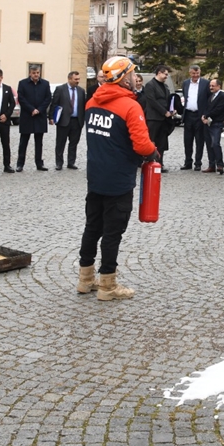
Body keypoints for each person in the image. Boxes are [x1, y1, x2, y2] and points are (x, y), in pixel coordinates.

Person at [76, 56, 159, 301]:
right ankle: (108, 285)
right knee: (113, 232)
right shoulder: (130, 106)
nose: (135, 78)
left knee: (92, 227)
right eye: (132, 74)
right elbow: (142, 144)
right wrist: (154, 152)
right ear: (123, 78)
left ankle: (85, 279)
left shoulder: (92, 103)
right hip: (119, 179)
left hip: (96, 176)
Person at [16, 65, 51, 171]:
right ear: (30, 73)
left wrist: (39, 110)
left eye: (37, 73)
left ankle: (39, 163)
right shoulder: (22, 83)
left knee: (39, 141)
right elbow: (21, 98)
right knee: (24, 141)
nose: (36, 75)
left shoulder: (45, 84)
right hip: (27, 115)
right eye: (34, 73)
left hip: (40, 116)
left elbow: (48, 98)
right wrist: (31, 109)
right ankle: (20, 164)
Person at [50, 71, 86, 170]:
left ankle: (71, 162)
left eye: (78, 79)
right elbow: (54, 104)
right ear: (69, 79)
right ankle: (59, 163)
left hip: (76, 121)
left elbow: (83, 106)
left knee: (74, 143)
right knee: (60, 143)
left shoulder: (81, 91)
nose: (77, 81)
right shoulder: (60, 89)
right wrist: (51, 117)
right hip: (63, 120)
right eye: (75, 79)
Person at [140, 65, 172, 168]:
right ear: (159, 73)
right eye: (165, 74)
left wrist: (171, 110)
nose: (166, 76)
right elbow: (152, 101)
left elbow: (167, 100)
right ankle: (150, 162)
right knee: (152, 141)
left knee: (162, 142)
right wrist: (164, 112)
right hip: (153, 118)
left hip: (164, 119)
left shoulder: (165, 86)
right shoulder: (151, 85)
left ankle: (159, 163)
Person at [180, 65, 209, 171]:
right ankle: (188, 162)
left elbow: (208, 99)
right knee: (187, 140)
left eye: (197, 73)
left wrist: (205, 114)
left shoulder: (205, 84)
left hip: (199, 115)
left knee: (200, 140)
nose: (195, 75)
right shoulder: (186, 83)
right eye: (193, 73)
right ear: (190, 73)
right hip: (188, 115)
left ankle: (198, 162)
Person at [202, 78, 224, 174]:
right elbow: (207, 107)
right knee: (209, 145)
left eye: (213, 86)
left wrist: (206, 115)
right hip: (209, 123)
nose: (211, 87)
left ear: (219, 86)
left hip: (217, 123)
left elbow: (218, 109)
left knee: (215, 144)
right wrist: (204, 116)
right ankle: (211, 165)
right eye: (210, 86)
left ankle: (220, 165)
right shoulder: (211, 96)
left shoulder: (223, 96)